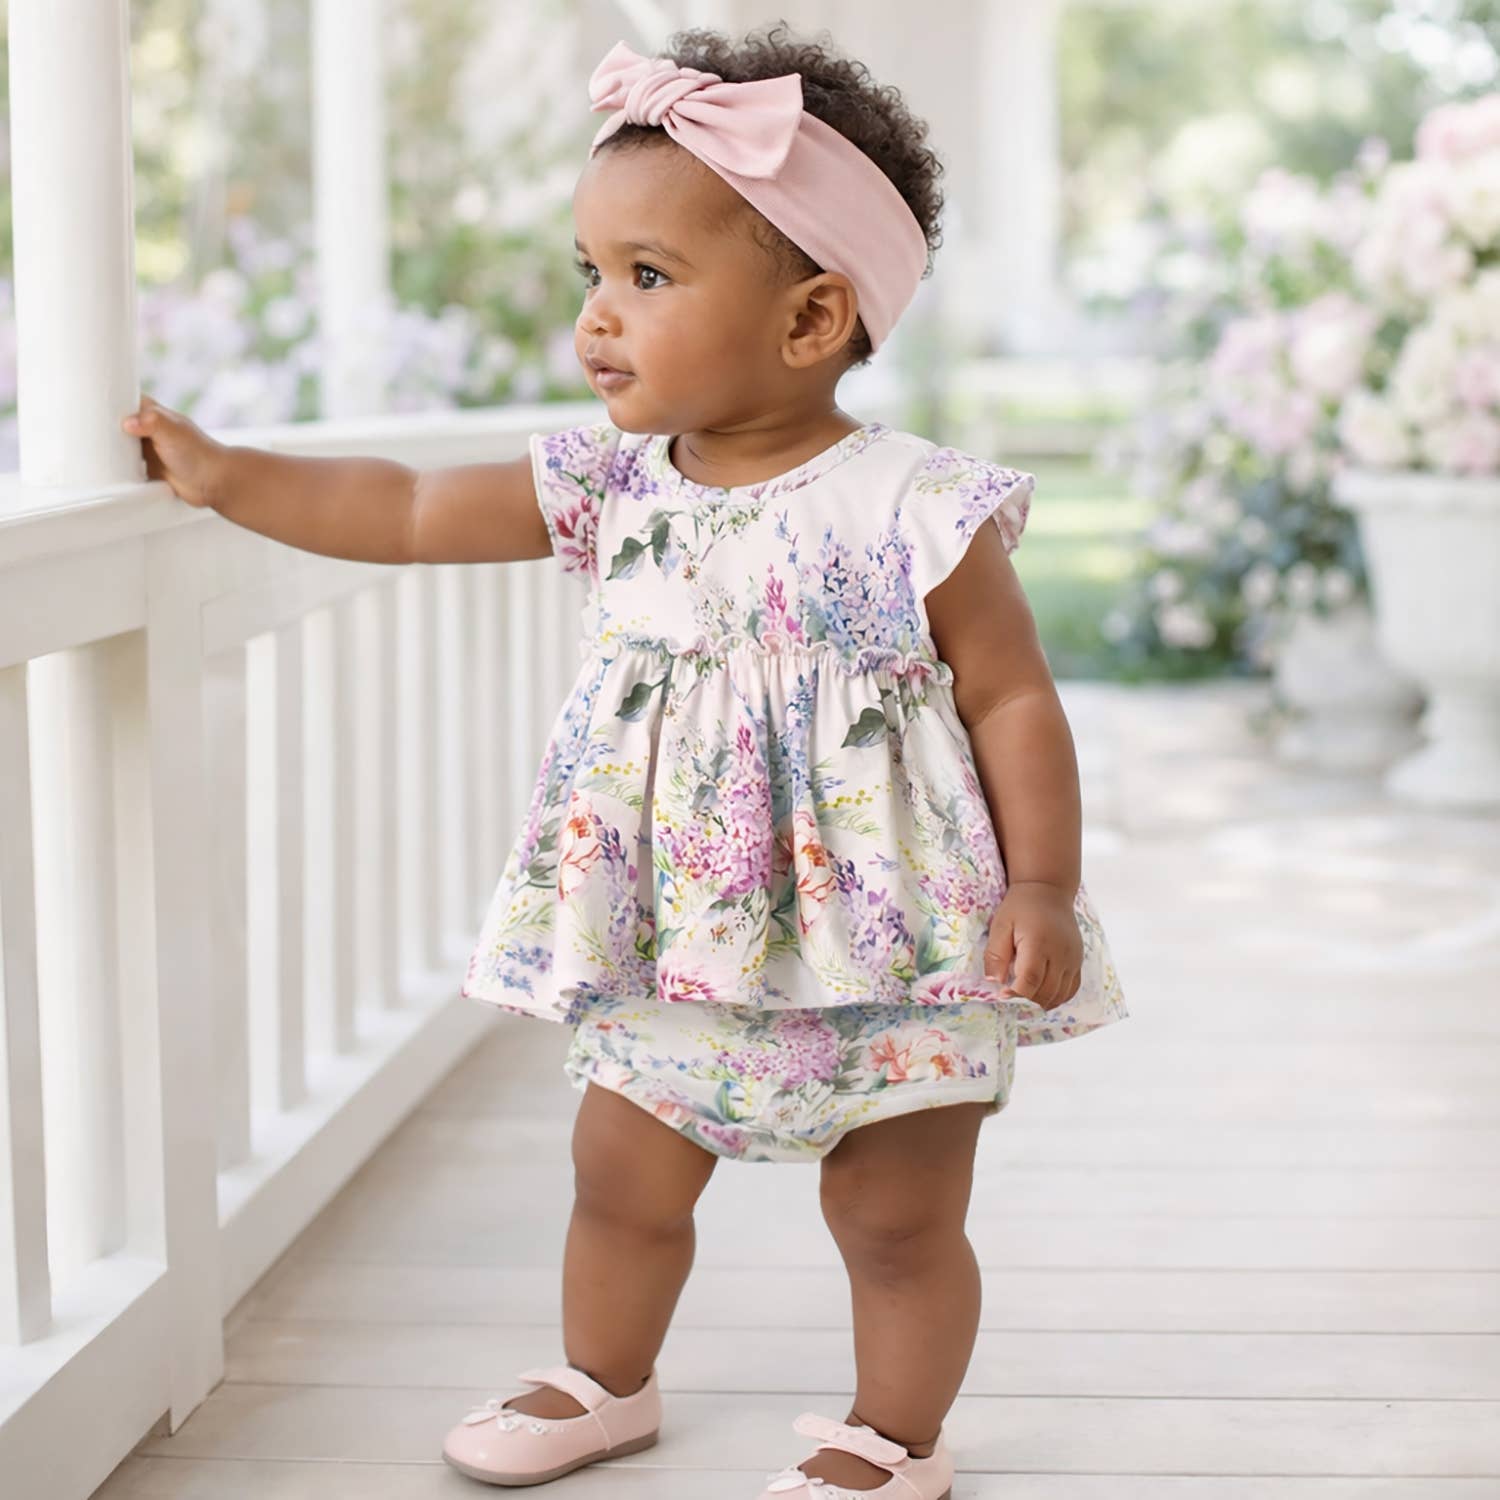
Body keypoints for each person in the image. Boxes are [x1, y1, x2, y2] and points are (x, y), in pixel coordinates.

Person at [122, 22, 1128, 1499]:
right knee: (620, 1174)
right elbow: (404, 508)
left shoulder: (917, 504)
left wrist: (1041, 883)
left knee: (897, 1214)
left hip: (896, 938)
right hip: (672, 929)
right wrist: (229, 476)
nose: (597, 316)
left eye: (647, 278)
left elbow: (1015, 700)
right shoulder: (608, 486)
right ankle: (605, 1379)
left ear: (812, 318)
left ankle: (894, 1437)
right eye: (589, 273)